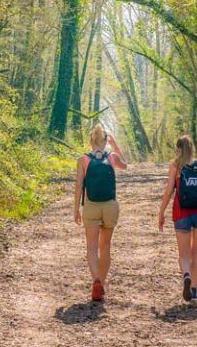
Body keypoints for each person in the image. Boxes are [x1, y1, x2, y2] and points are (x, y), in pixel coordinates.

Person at [157, 135, 197, 302]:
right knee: (196, 251)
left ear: (178, 149)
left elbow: (168, 192)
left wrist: (161, 213)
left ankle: (186, 275)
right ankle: (193, 289)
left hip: (182, 213)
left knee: (184, 253)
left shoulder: (176, 166)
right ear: (192, 148)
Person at [74, 124, 128, 302]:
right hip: (110, 206)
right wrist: (115, 145)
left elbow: (79, 186)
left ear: (91, 141)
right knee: (105, 247)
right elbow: (125, 165)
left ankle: (96, 279)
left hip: (91, 206)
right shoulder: (111, 157)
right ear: (105, 141)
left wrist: (76, 209)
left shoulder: (83, 159)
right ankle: (102, 285)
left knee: (91, 247)